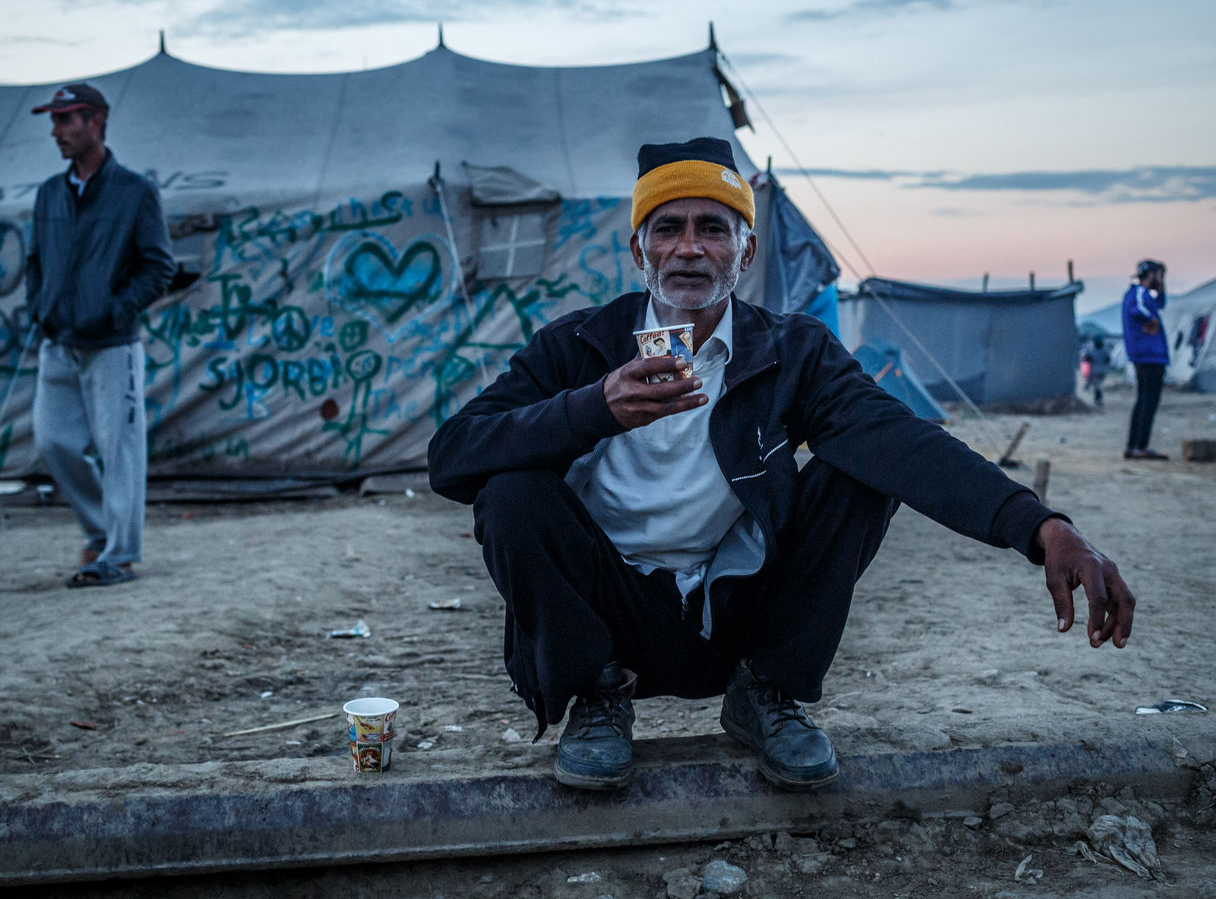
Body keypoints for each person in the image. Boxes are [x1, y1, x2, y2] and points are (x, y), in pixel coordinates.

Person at [427, 137, 1136, 792]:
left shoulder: (791, 350)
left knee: (863, 470)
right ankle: (596, 693)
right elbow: (454, 454)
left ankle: (767, 689)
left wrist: (1042, 527)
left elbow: (898, 438)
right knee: (511, 492)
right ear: (639, 250)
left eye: (714, 228)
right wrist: (594, 408)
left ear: (746, 252)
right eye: (668, 228)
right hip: (610, 612)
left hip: (739, 609)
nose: (689, 248)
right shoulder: (580, 345)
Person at [25, 83, 175, 588]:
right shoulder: (49, 193)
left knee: (120, 450)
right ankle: (98, 531)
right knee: (53, 441)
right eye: (54, 121)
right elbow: (35, 262)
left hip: (111, 345)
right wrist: (39, 308)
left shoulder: (134, 191)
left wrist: (115, 311)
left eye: (66, 120)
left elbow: (158, 266)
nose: (56, 131)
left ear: (97, 122)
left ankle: (118, 555)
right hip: (58, 341)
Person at [1121, 260, 1169, 460]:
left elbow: (1161, 303)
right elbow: (1139, 309)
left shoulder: (1143, 295)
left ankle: (1134, 445)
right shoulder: (1139, 293)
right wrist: (1151, 320)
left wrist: (1160, 285)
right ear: (1151, 274)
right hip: (1149, 355)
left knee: (1143, 400)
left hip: (1146, 354)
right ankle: (1139, 447)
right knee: (1149, 400)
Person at [1081, 335, 1111, 409]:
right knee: (1098, 384)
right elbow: (1108, 360)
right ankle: (1097, 398)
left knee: (1097, 386)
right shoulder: (1105, 349)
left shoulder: (1091, 350)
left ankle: (1098, 399)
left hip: (1095, 370)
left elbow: (1086, 359)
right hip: (1103, 370)